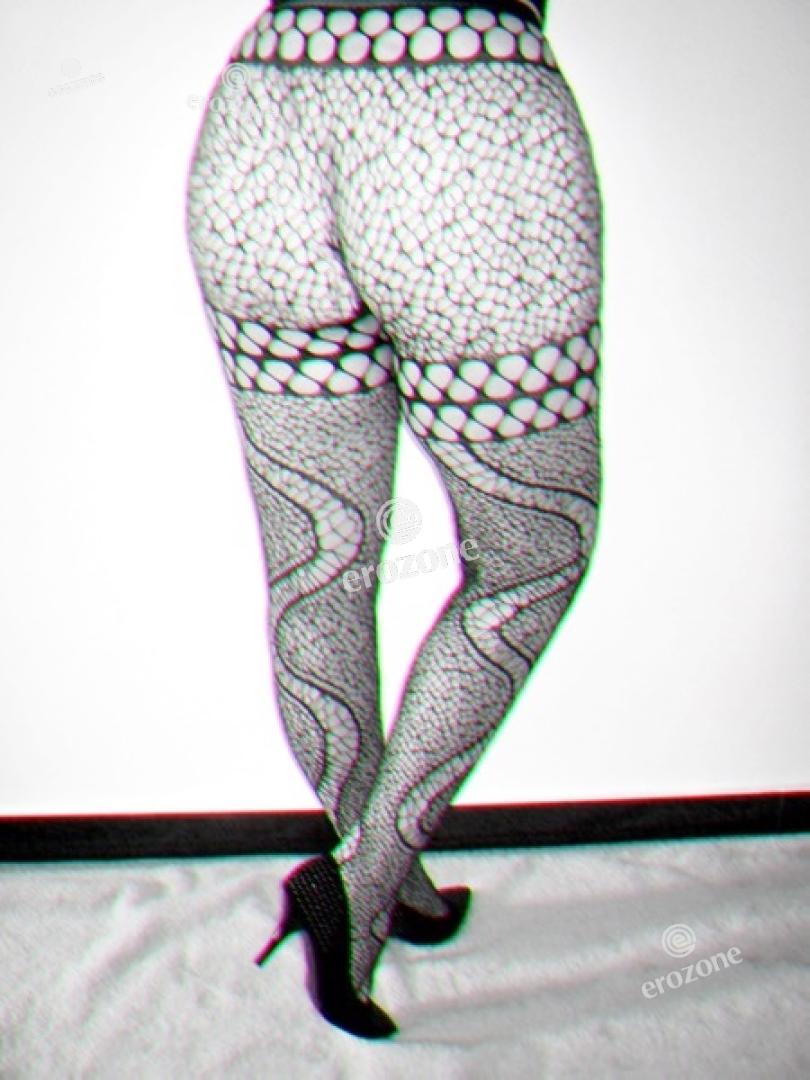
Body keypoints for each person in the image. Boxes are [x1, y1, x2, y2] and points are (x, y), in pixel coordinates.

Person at [186, 0, 602, 1039]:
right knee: (535, 555)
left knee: (319, 571)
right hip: (466, 105)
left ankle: (385, 875)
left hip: (268, 100)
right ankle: (362, 884)